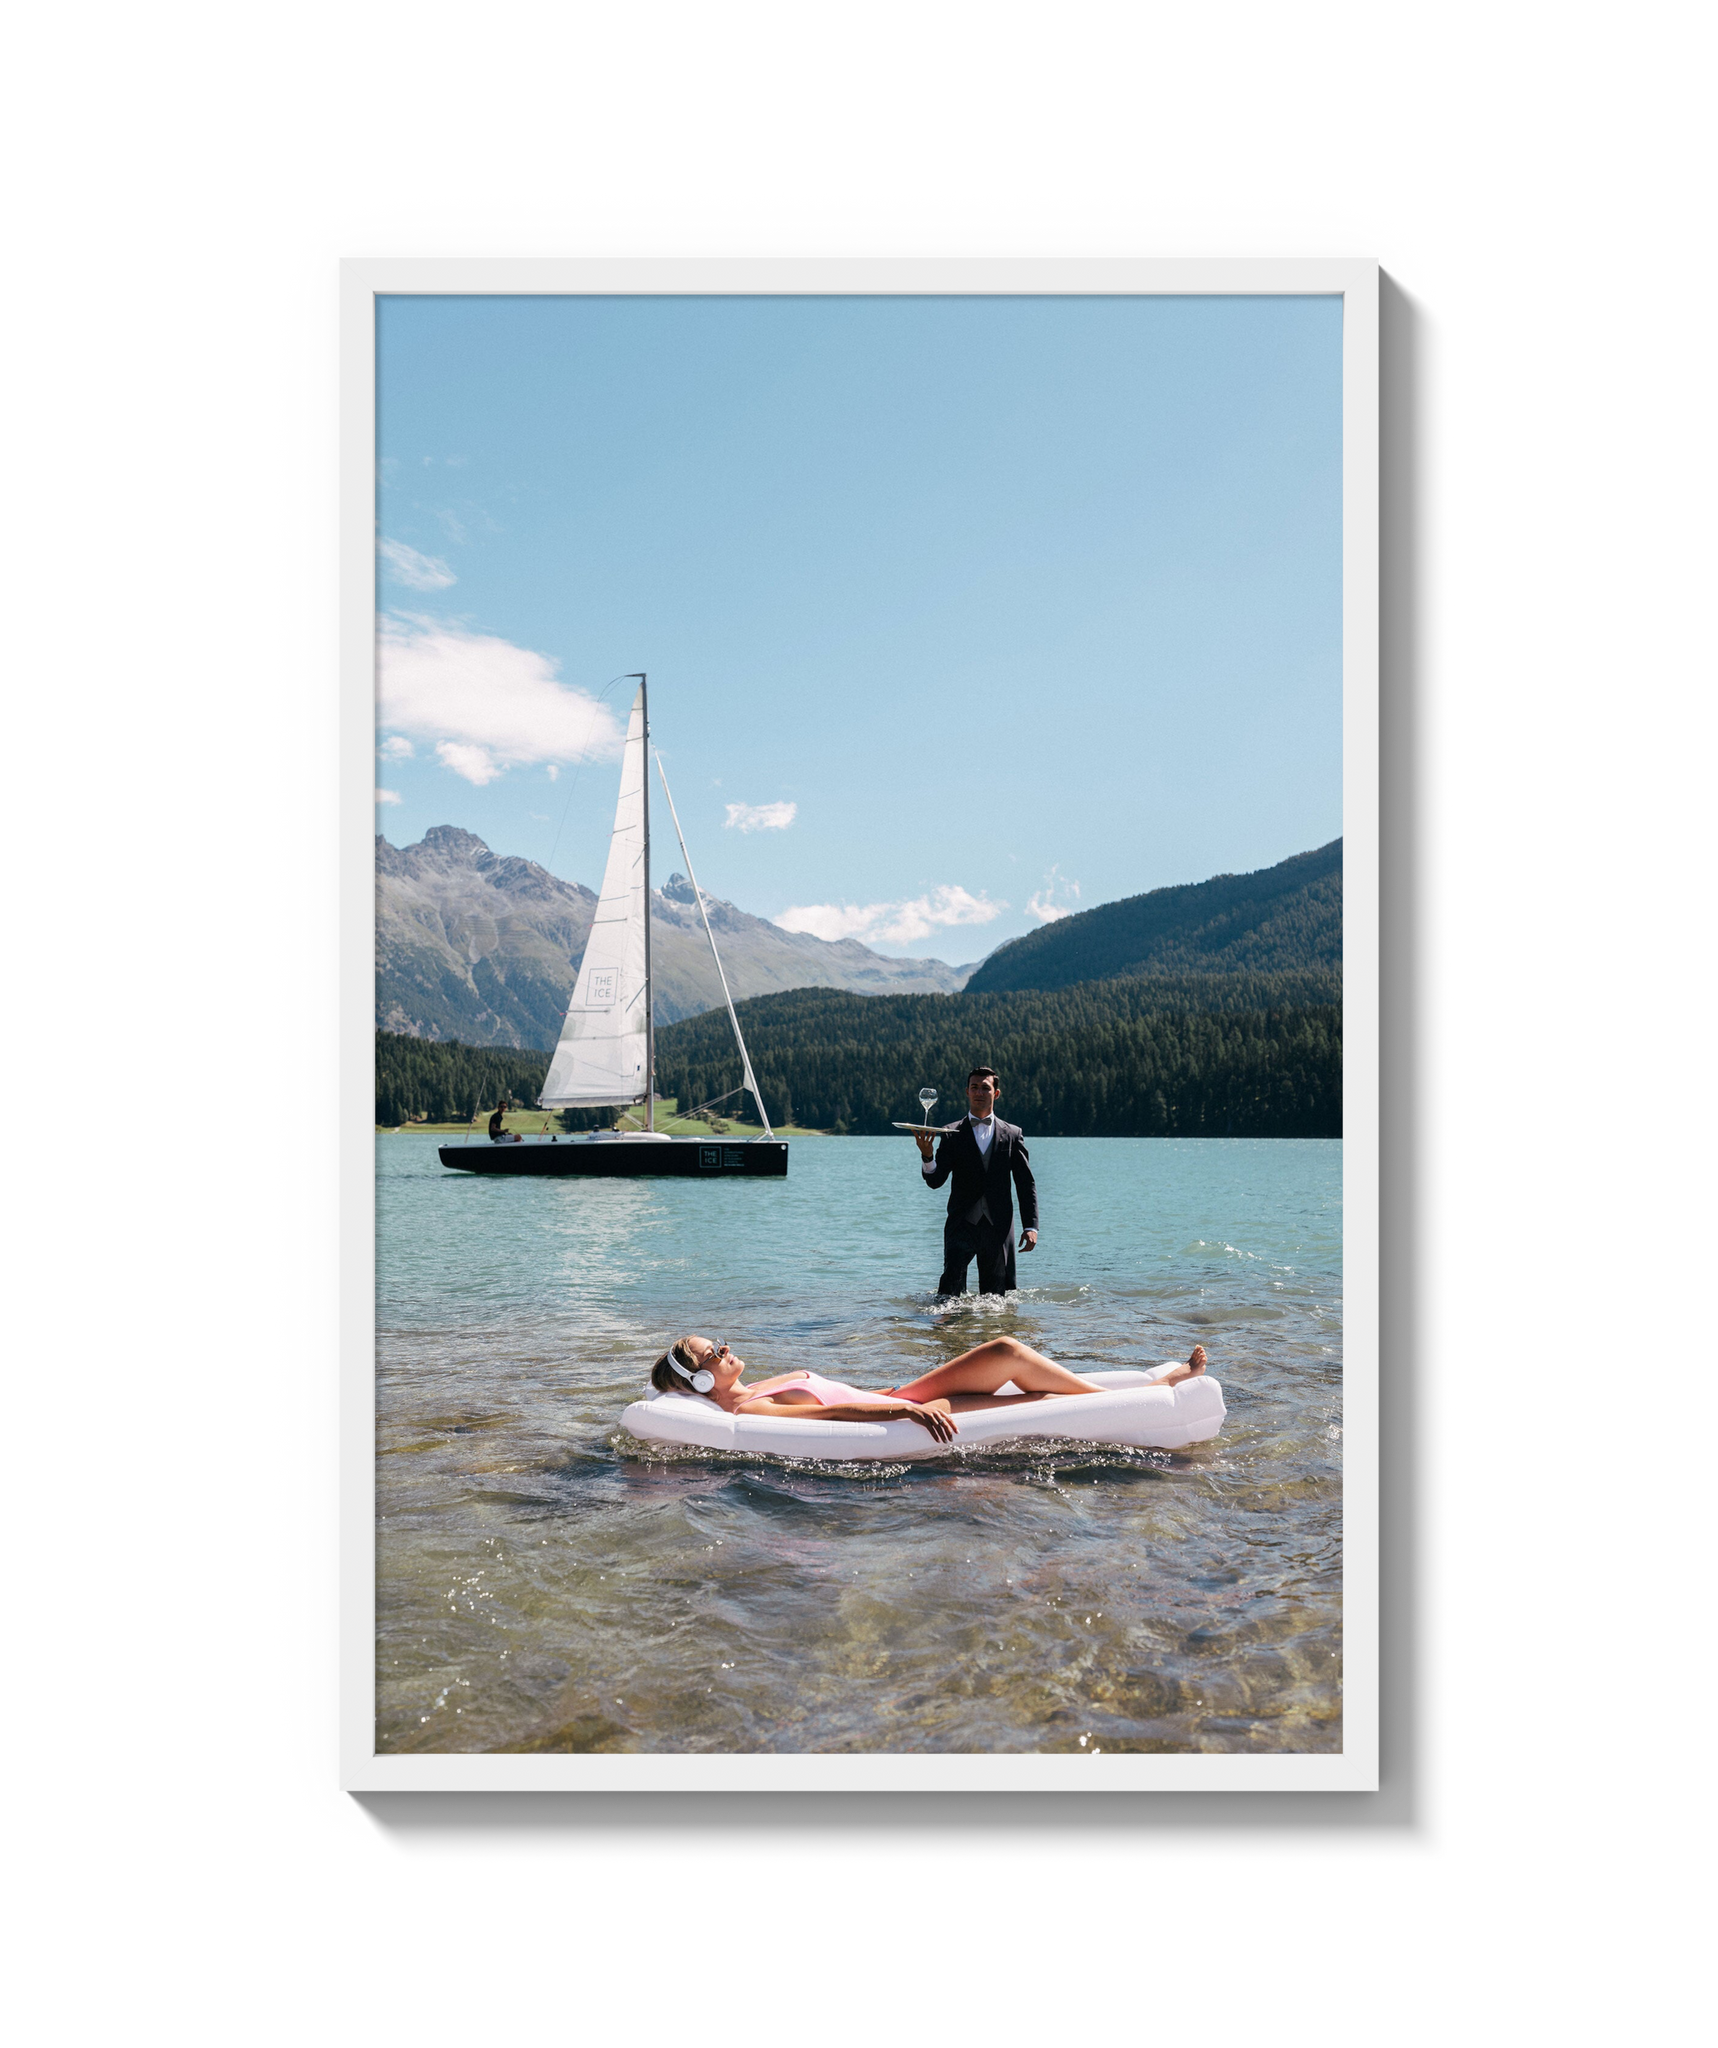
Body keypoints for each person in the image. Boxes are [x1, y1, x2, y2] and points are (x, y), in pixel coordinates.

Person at [650, 1333, 1209, 1444]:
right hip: (906, 1408)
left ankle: (1150, 1384)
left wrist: (894, 1395)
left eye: (717, 1342)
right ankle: (1154, 1389)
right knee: (1011, 1359)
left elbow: (838, 1391)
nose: (724, 1348)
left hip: (902, 1393)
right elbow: (831, 1416)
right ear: (700, 1379)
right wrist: (908, 1415)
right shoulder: (754, 1409)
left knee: (1012, 1362)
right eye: (711, 1353)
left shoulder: (756, 1385)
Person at [915, 1066, 1038, 1297]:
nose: (979, 1092)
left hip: (998, 1227)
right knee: (948, 1297)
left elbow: (1025, 1183)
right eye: (974, 1087)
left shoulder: (1012, 1134)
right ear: (967, 1092)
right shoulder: (950, 1132)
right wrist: (927, 1155)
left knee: (996, 1300)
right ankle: (949, 1333)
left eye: (985, 1088)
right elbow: (935, 1181)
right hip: (961, 1225)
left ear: (996, 1093)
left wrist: (1031, 1226)